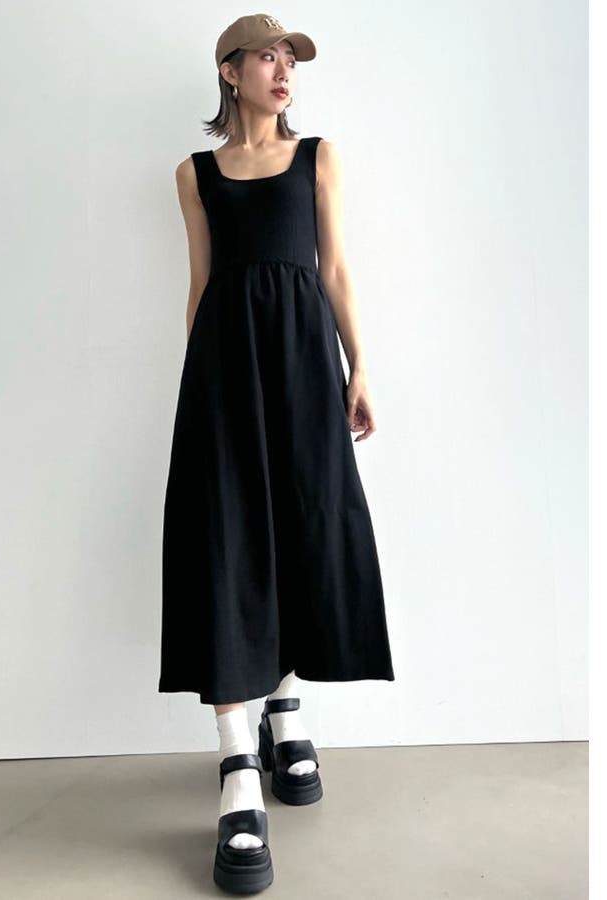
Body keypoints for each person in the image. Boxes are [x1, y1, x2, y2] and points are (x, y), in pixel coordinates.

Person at [158, 13, 395, 893]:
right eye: (266, 56)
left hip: (302, 364)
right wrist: (197, 390)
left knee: (304, 523)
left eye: (290, 58)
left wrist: (359, 365)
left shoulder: (317, 158)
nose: (283, 69)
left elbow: (334, 270)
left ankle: (284, 705)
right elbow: (200, 282)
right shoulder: (194, 174)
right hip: (223, 370)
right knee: (226, 538)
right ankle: (237, 757)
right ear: (230, 72)